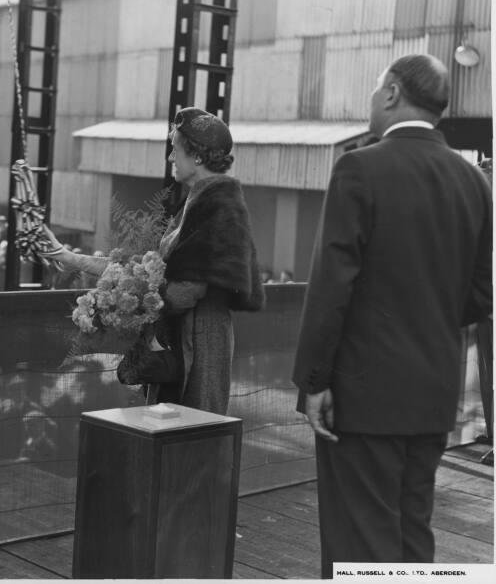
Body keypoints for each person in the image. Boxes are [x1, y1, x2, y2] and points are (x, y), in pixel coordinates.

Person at [291, 54, 492, 577]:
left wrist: (315, 380)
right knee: (411, 533)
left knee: (359, 540)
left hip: (363, 397)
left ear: (392, 93)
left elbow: (332, 285)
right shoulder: (475, 182)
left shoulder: (360, 167)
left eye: (377, 86)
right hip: (432, 397)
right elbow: (481, 295)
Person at [42, 107, 265, 415]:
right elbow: (147, 272)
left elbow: (185, 290)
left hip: (198, 345)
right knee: (171, 434)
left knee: (191, 435)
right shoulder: (197, 202)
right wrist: (71, 259)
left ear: (197, 157)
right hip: (180, 340)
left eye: (175, 149)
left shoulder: (219, 208)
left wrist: (126, 306)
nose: (171, 158)